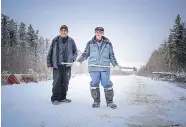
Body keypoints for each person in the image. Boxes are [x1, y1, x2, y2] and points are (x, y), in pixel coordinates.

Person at [76, 27, 120, 109]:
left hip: (105, 67)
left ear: (102, 33)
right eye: (97, 32)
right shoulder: (90, 43)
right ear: (95, 33)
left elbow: (111, 56)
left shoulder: (108, 44)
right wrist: (79, 60)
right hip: (94, 67)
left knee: (106, 83)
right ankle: (96, 101)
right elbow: (85, 54)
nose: (98, 33)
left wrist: (115, 64)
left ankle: (110, 102)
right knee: (94, 84)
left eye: (100, 32)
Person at [47, 25, 77, 105]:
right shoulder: (55, 40)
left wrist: (72, 59)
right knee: (57, 81)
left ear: (67, 32)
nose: (63, 32)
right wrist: (49, 63)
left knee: (65, 81)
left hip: (67, 65)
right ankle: (55, 98)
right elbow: (50, 52)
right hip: (57, 65)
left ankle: (63, 97)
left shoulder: (71, 41)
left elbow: (75, 52)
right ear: (60, 31)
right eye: (62, 30)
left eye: (65, 30)